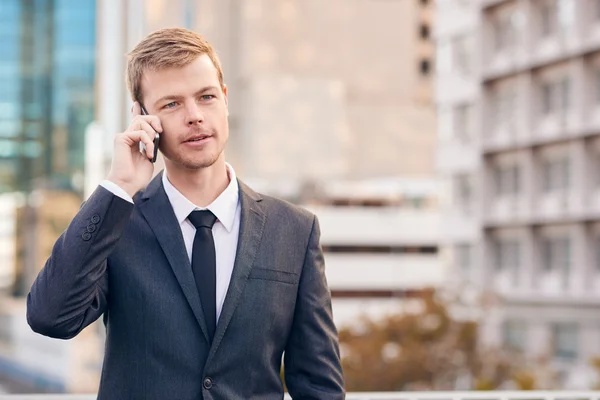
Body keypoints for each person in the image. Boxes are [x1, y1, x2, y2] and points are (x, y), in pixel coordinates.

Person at [26, 27, 345, 400]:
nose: (194, 116)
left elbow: (319, 386)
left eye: (206, 96)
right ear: (143, 117)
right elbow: (50, 317)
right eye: (171, 104)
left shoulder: (294, 229)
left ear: (225, 99)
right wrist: (119, 185)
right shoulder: (117, 222)